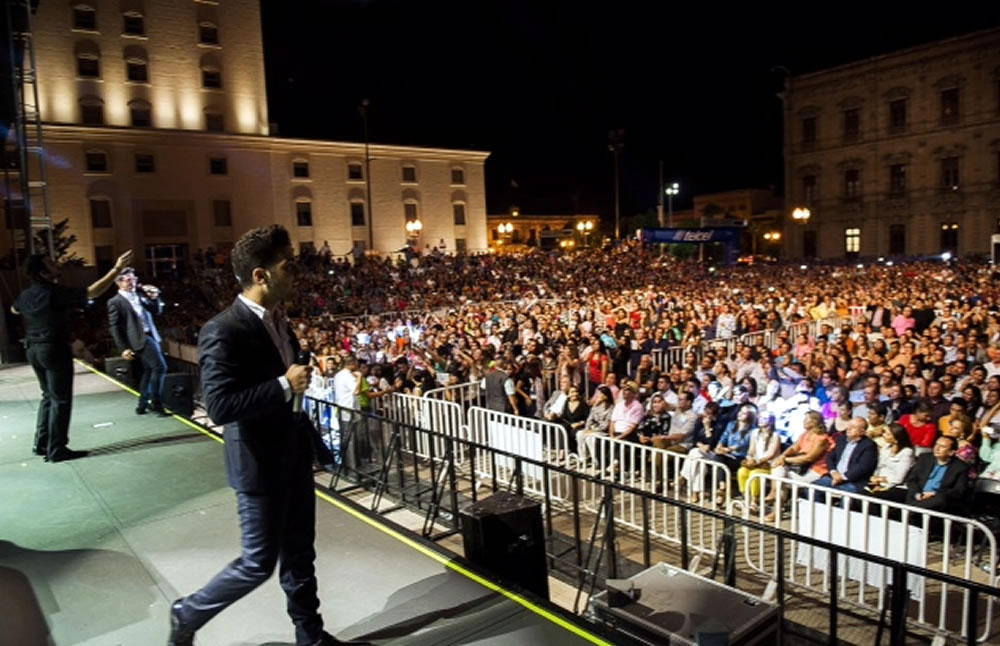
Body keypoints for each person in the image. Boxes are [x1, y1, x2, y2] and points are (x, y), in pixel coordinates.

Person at [169, 226, 369, 646]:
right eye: (288, 265)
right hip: (258, 465)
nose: (297, 273)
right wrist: (284, 383)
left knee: (300, 555)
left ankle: (311, 637)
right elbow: (220, 406)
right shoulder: (222, 329)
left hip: (292, 455)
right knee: (257, 563)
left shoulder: (280, 321)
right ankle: (187, 612)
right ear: (261, 275)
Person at [11, 249, 133, 462]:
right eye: (50, 263)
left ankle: (41, 443)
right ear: (43, 272)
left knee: (48, 396)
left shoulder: (26, 294)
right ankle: (57, 449)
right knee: (60, 400)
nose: (55, 263)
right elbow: (92, 292)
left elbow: (14, 310)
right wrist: (117, 269)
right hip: (53, 348)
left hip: (33, 348)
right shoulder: (54, 292)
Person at [107, 267, 168, 415]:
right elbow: (114, 327)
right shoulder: (115, 302)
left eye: (134, 279)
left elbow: (157, 311)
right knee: (160, 367)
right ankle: (156, 403)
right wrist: (123, 348)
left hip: (151, 335)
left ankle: (142, 404)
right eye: (128, 280)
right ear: (119, 283)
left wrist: (155, 297)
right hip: (139, 338)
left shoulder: (139, 295)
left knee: (149, 370)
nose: (132, 282)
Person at [902, 435, 970, 512]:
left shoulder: (960, 467)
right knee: (894, 492)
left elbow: (959, 491)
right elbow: (911, 479)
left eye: (942, 447)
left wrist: (934, 493)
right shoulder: (924, 458)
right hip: (918, 494)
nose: (937, 448)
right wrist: (917, 494)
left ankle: (907, 508)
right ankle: (909, 508)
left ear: (951, 452)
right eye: (936, 444)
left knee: (940, 500)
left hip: (938, 499)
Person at [813, 417, 878, 495]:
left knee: (846, 498)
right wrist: (834, 472)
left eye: (853, 427)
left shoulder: (869, 445)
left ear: (862, 432)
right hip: (833, 476)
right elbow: (830, 457)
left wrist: (842, 477)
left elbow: (862, 468)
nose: (849, 428)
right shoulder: (841, 439)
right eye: (849, 425)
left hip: (854, 481)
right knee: (812, 489)